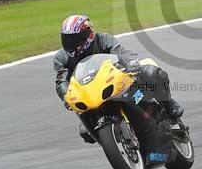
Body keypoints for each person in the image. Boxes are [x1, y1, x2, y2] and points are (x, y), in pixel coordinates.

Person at [53, 14, 184, 143]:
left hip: (115, 82)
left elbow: (120, 52)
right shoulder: (62, 57)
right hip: (89, 95)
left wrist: (130, 63)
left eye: (74, 39)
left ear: (87, 35)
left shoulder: (103, 39)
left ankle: (168, 102)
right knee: (85, 132)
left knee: (151, 72)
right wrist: (65, 96)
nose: (69, 43)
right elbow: (61, 80)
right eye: (66, 39)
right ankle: (117, 141)